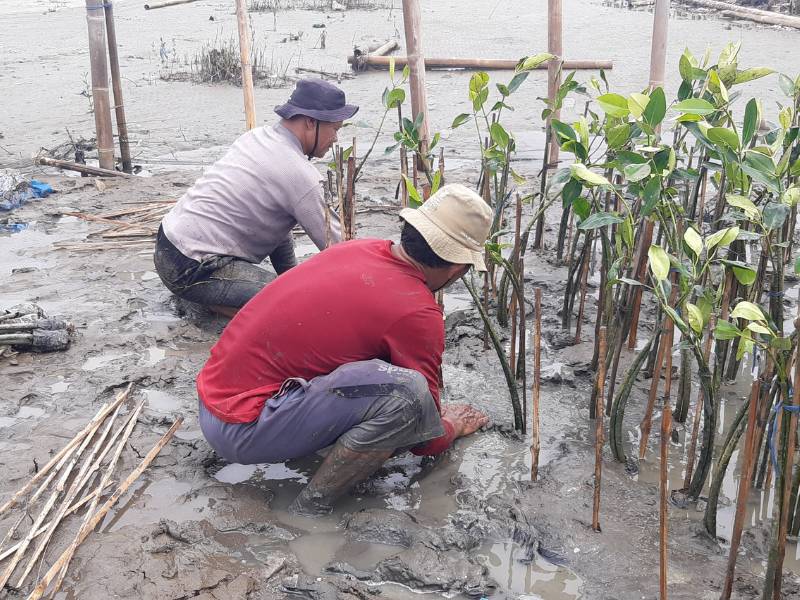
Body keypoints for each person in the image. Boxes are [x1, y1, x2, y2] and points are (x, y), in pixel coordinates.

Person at [196, 183, 493, 516]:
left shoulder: (358, 249)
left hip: (211, 398)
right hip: (239, 428)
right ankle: (309, 510)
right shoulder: (417, 312)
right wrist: (451, 426)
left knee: (385, 379)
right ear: (457, 268)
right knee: (408, 395)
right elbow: (425, 437)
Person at [153, 78, 359, 317]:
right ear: (311, 122)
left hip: (166, 245)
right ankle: (220, 305)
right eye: (335, 129)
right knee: (296, 306)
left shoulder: (257, 137)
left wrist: (289, 275)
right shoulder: (299, 174)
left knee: (286, 278)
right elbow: (341, 250)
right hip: (193, 268)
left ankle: (219, 299)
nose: (336, 139)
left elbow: (279, 230)